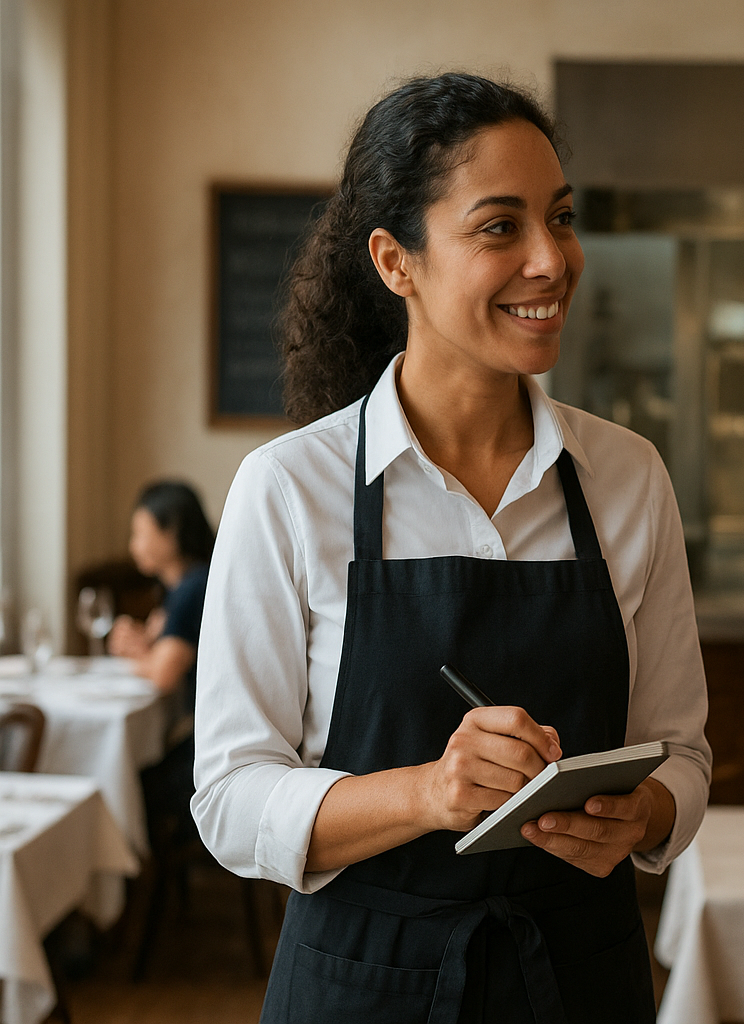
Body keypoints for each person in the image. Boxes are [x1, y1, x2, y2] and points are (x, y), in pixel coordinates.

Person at [192, 73, 710, 1023]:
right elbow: (229, 797)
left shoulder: (629, 478)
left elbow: (682, 753)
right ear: (396, 261)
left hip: (581, 983)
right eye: (500, 227)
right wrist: (427, 793)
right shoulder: (289, 490)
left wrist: (644, 812)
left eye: (561, 219)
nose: (551, 260)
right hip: (360, 987)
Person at [107, 480, 215, 697]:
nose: (133, 547)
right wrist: (146, 645)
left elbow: (163, 674)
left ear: (172, 530)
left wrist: (134, 656)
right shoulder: (189, 583)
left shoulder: (193, 588)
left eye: (140, 534)